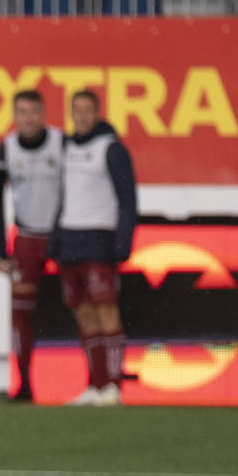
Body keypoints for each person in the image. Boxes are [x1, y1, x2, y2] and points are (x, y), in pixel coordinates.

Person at [51, 90, 136, 407]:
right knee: (83, 314)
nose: (82, 116)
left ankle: (114, 385)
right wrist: (55, 238)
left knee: (106, 311)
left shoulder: (112, 149)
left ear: (98, 113)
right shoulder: (67, 148)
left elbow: (128, 198)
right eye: (77, 110)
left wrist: (123, 240)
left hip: (99, 237)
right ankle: (94, 384)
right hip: (71, 240)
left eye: (88, 110)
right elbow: (62, 197)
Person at [0, 89, 63, 403]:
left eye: (34, 111)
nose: (28, 118)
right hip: (27, 240)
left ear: (43, 113)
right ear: (14, 115)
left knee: (83, 307)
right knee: (21, 314)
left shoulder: (62, 143)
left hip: (63, 237)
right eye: (22, 112)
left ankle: (95, 384)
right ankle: (24, 384)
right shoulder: (5, 149)